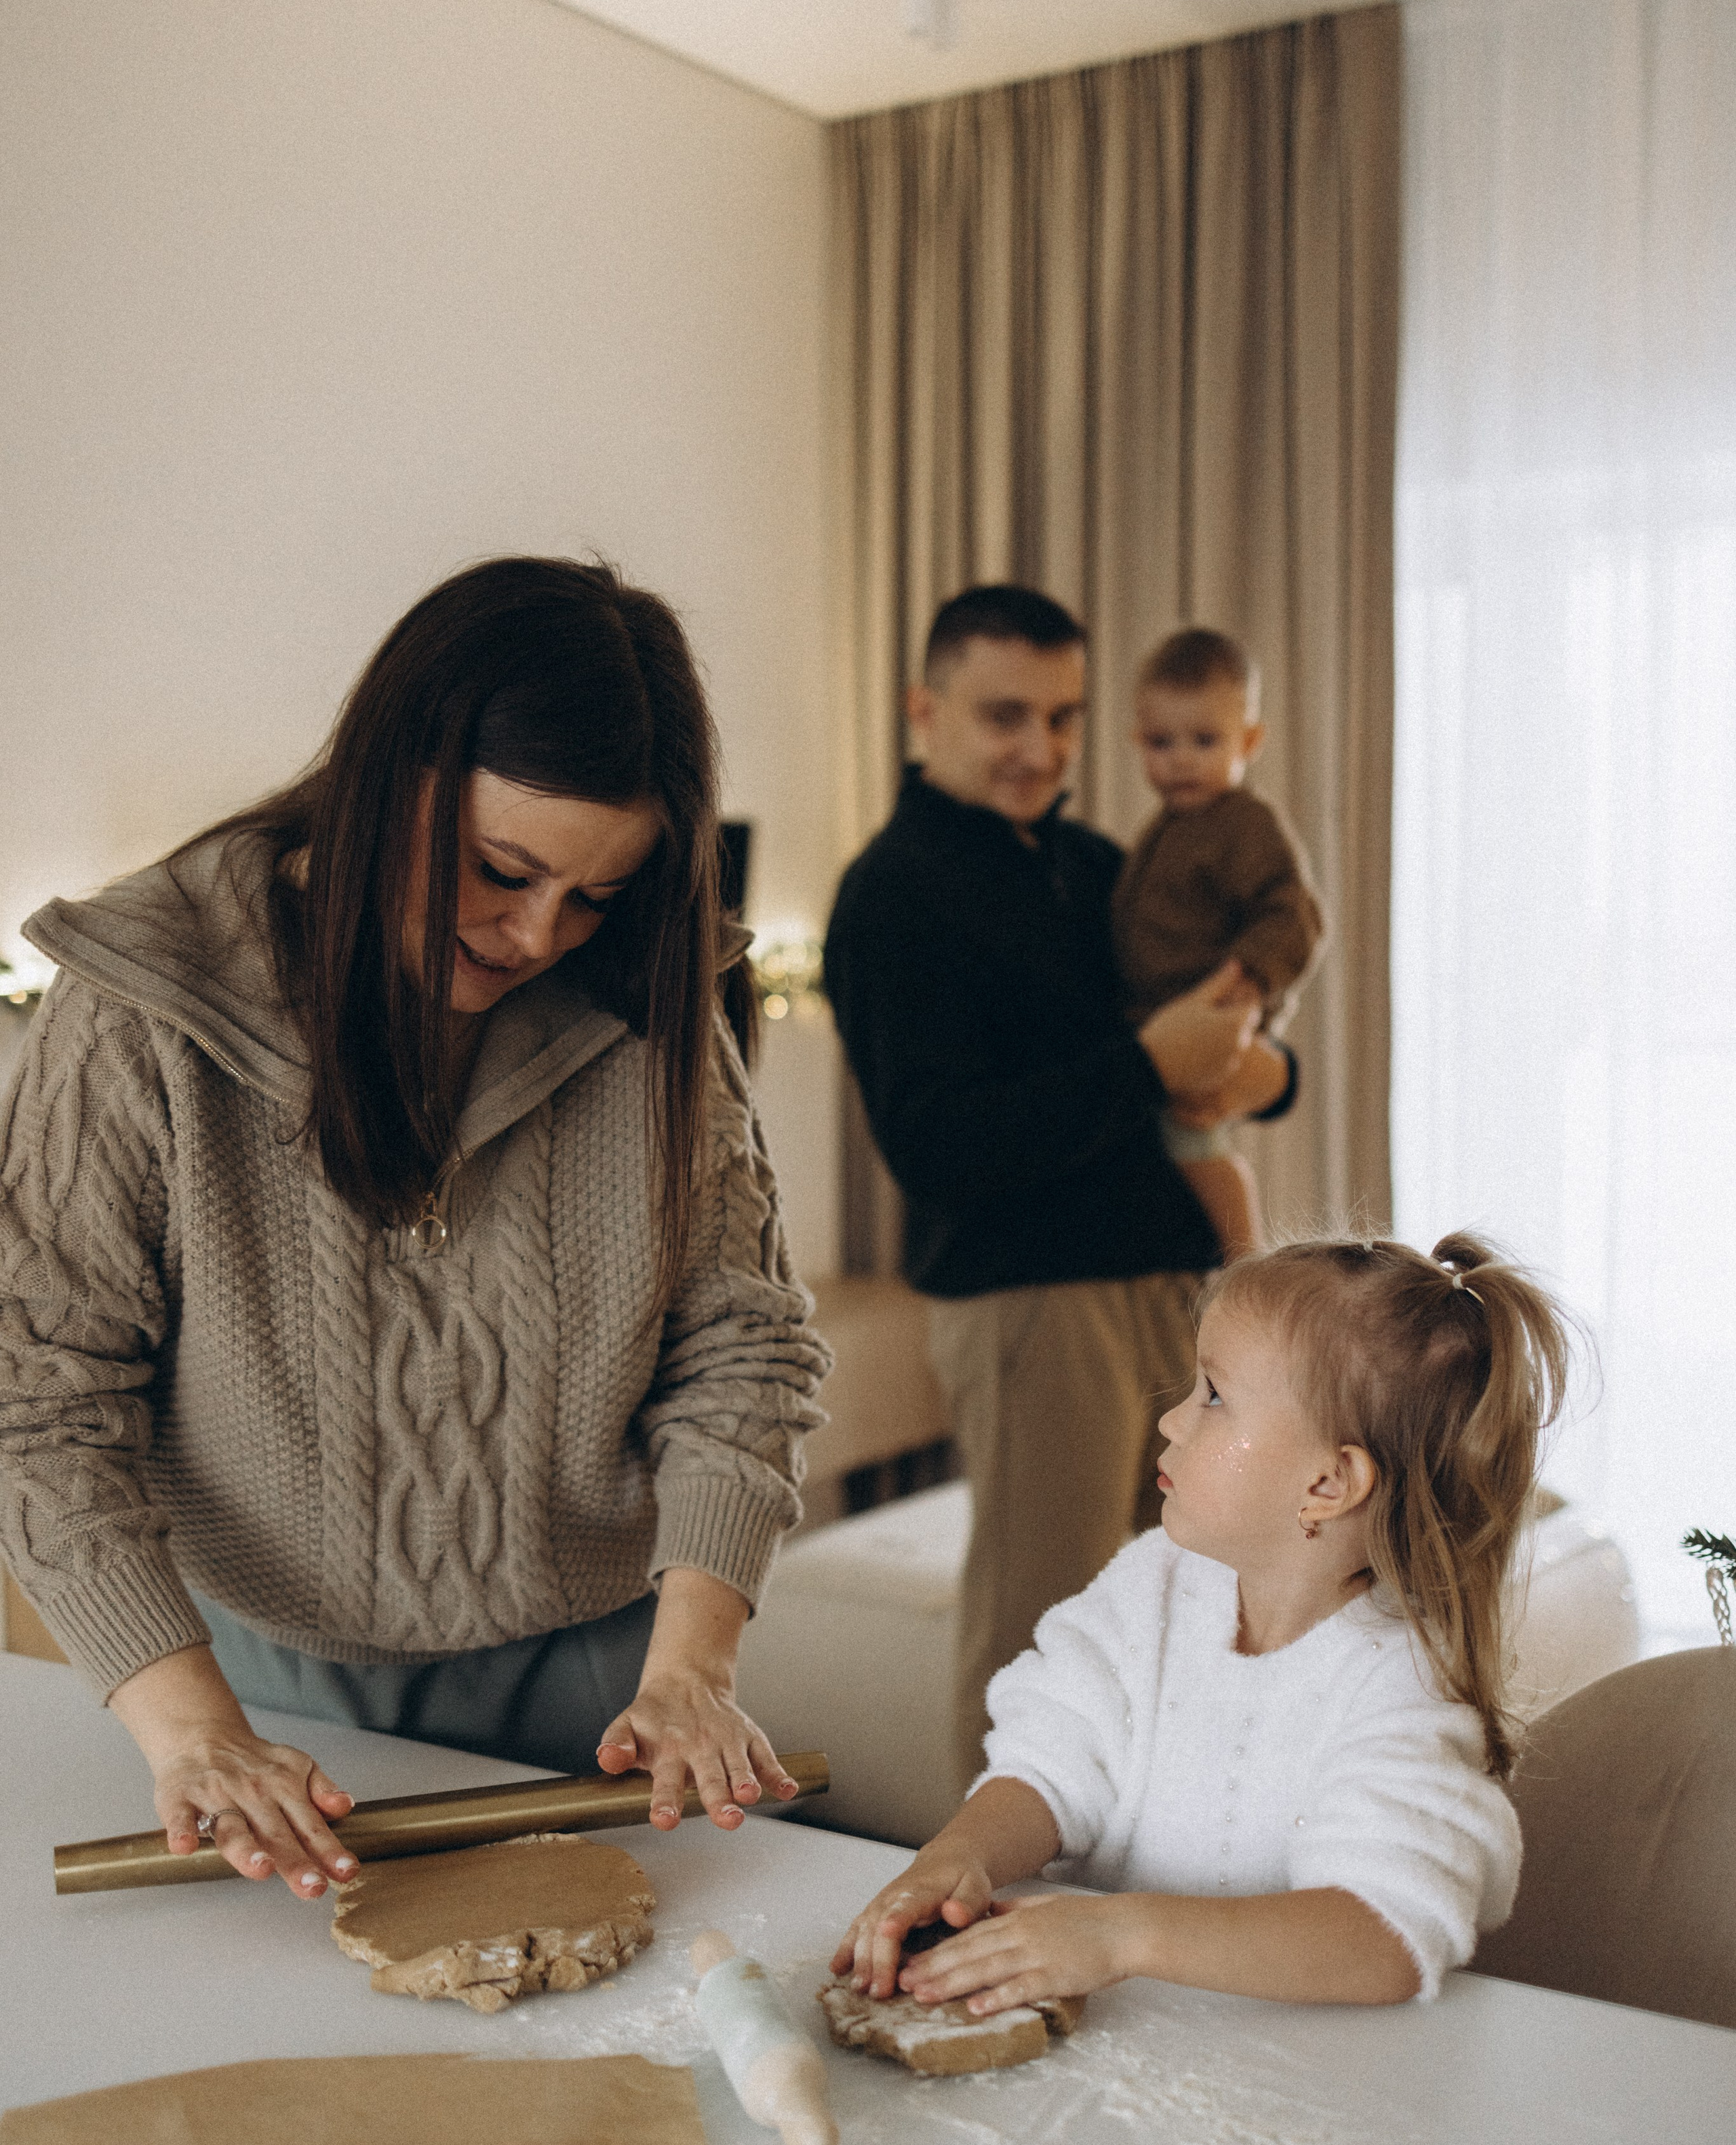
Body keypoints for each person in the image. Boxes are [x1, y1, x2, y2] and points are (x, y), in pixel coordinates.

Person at [0, 557, 829, 1900]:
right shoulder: (142, 1002)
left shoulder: (646, 1006)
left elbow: (741, 1348)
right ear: (395, 777)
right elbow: (38, 1396)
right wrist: (197, 1731)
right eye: (501, 869)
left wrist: (693, 1669)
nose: (538, 932)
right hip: (253, 1689)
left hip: (607, 1681)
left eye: (596, 894)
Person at [835, 1232, 1568, 2013]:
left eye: (1213, 1397)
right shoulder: (1154, 1580)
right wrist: (960, 1854)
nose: (1172, 1421)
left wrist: (1118, 1935)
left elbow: (1381, 1934)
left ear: (1326, 1482)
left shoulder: (1401, 1680)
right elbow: (1052, 1759)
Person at [824, 585, 1294, 1790]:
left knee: (1188, 1612)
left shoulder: (1101, 864)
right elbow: (934, 1145)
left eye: (1066, 717)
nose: (1040, 747)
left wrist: (1266, 1072)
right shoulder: (891, 896)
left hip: (1169, 1287)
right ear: (925, 710)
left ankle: (1139, 1895)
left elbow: (1217, 1042)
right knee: (1046, 1635)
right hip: (1035, 1303)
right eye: (1004, 714)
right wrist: (1146, 1065)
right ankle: (981, 1920)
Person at [1111, 628, 1326, 1260]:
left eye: (1205, 741)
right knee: (1173, 1146)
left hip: (1218, 1017)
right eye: (1161, 742)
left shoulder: (1245, 826)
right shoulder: (1165, 829)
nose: (1181, 759)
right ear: (1136, 742)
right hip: (1163, 1026)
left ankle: (1246, 1256)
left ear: (1249, 741)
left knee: (1196, 1144)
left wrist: (1250, 985)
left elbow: (1296, 918)